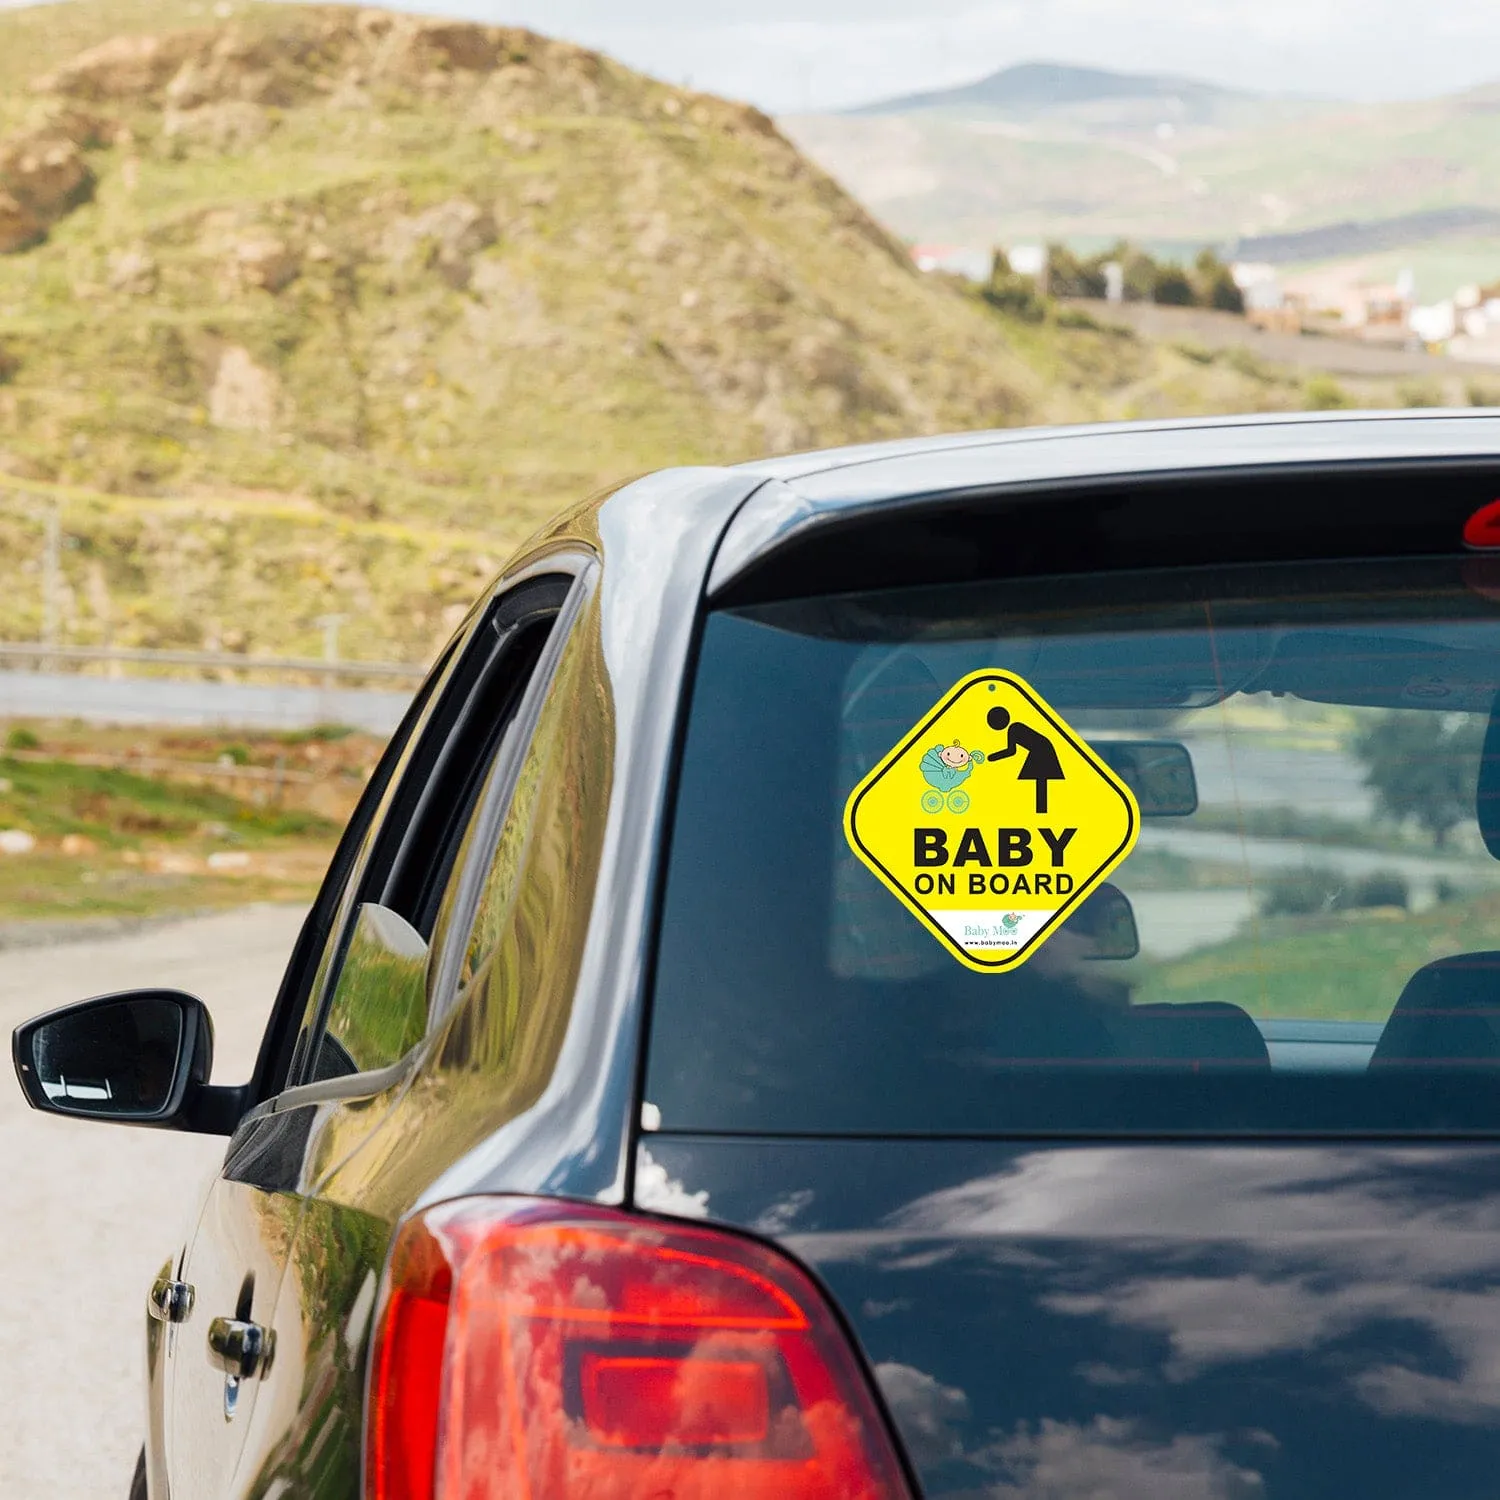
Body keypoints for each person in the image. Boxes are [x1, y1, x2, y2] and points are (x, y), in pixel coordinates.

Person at [986, 705, 1065, 813]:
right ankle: (1041, 811)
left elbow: (1011, 751)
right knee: (1040, 782)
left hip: (1041, 751)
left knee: (1041, 781)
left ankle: (1042, 812)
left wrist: (992, 757)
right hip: (1041, 749)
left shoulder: (1014, 728)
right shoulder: (1015, 727)